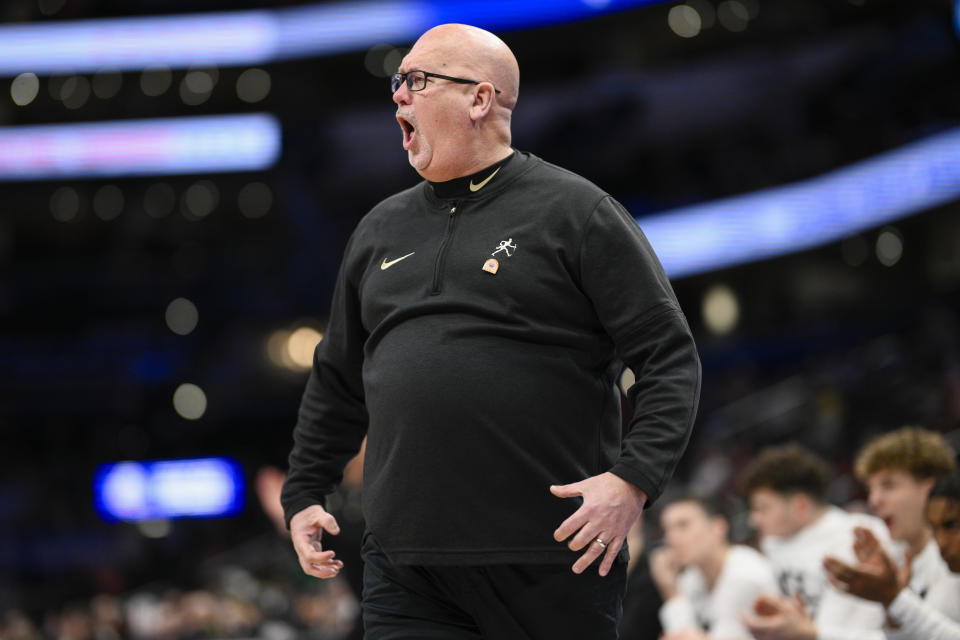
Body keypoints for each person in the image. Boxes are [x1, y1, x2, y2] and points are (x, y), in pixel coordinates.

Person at [279, 23, 702, 639]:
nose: (399, 96)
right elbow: (337, 378)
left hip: (555, 554)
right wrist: (304, 490)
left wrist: (633, 481)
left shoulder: (578, 211)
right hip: (405, 566)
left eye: (417, 81)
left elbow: (669, 357)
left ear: (480, 99)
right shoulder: (378, 229)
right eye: (398, 82)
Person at [739, 443, 893, 640]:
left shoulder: (858, 536)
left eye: (763, 508)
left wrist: (804, 632)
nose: (754, 520)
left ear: (800, 506)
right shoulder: (774, 544)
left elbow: (868, 629)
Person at [823, 472, 960, 640]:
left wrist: (895, 599)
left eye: (889, 486)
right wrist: (892, 610)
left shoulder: (942, 570)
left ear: (925, 488)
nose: (874, 500)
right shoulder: (906, 560)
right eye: (934, 528)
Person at [852, 426, 958, 620]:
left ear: (929, 487)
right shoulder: (893, 559)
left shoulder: (953, 559)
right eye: (870, 488)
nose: (873, 500)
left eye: (888, 485)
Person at [649, 496, 778, 639]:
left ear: (718, 527)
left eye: (683, 525)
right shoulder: (692, 577)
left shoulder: (745, 574)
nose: (671, 538)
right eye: (666, 530)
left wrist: (671, 593)